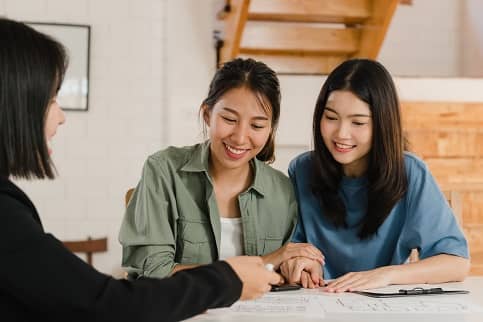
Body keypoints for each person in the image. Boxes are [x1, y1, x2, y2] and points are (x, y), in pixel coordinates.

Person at [0, 17, 283, 322]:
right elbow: (107, 304)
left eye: (257, 124)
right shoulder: (6, 214)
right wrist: (230, 277)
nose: (61, 116)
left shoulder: (282, 188)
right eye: (51, 99)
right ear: (14, 103)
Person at [119, 58, 323, 279]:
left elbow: (286, 264)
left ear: (270, 129)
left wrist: (300, 265)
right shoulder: (163, 171)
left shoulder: (282, 190)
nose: (240, 137)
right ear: (207, 114)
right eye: (229, 119)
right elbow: (154, 273)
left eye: (257, 125)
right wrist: (263, 263)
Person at [280, 59, 470, 292]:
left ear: (382, 124)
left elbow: (456, 263)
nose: (341, 133)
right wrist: (302, 263)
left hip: (381, 306)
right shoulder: (302, 170)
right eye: (330, 117)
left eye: (358, 122)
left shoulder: (410, 173)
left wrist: (386, 275)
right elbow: (293, 247)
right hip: (319, 301)